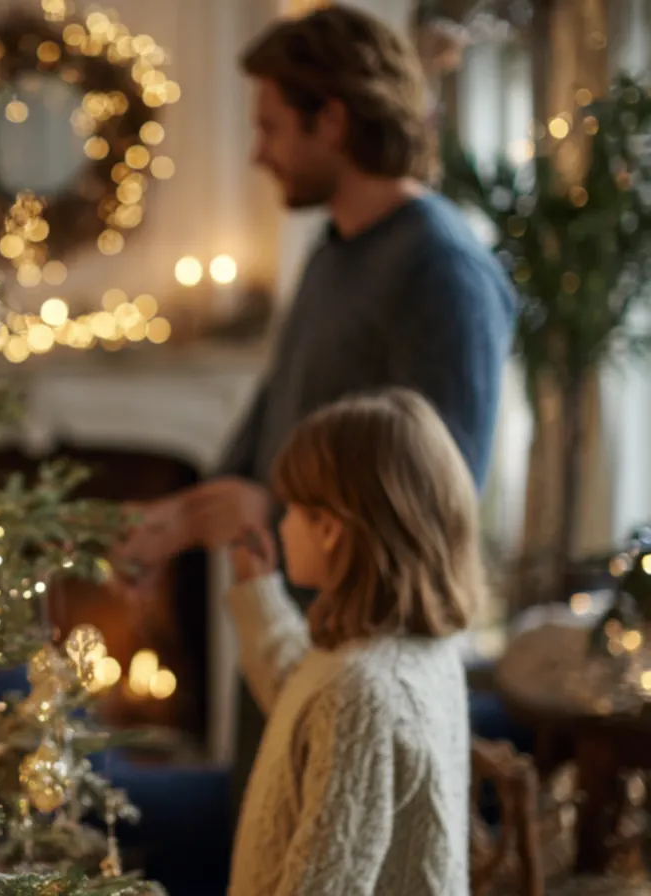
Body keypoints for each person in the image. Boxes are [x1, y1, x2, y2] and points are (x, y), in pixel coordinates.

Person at [114, 3, 516, 818]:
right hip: (286, 648)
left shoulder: (442, 270)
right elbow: (273, 419)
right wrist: (179, 518)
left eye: (270, 126)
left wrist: (265, 505)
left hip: (362, 682)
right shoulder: (334, 252)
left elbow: (436, 501)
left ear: (332, 119)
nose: (258, 152)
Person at [226, 388, 478, 896]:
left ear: (331, 529)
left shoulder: (362, 691)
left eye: (293, 508)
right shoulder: (407, 651)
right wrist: (258, 591)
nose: (283, 523)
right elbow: (304, 701)